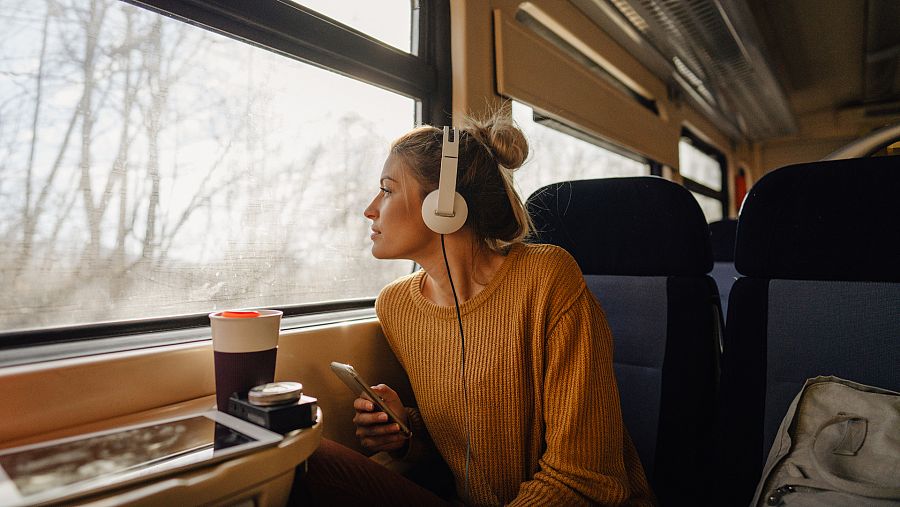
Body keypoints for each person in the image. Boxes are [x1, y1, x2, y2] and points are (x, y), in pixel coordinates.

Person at [291, 109, 655, 506]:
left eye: (388, 189)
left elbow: (586, 479)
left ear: (443, 205)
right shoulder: (396, 306)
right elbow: (469, 446)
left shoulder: (547, 277)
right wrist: (406, 433)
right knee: (309, 459)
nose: (370, 209)